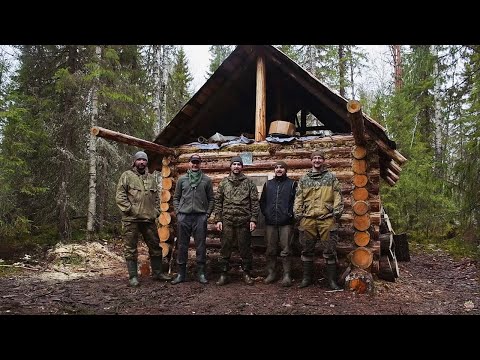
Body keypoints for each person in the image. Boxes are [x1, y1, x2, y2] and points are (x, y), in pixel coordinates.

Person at [115, 150, 171, 287]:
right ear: (134, 162)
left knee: (155, 246)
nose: (141, 162)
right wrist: (129, 210)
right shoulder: (127, 176)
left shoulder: (151, 178)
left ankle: (157, 273)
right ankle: (133, 277)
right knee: (131, 248)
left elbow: (157, 197)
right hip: (131, 220)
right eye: (139, 160)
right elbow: (120, 196)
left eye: (144, 160)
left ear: (147, 162)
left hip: (148, 219)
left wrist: (156, 211)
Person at [293, 150, 344, 290]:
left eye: (319, 158)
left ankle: (331, 281)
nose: (317, 160)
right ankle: (306, 279)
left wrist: (336, 214)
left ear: (323, 161)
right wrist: (298, 214)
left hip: (326, 219)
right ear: (311, 161)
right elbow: (298, 198)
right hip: (307, 219)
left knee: (329, 250)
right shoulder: (304, 179)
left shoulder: (331, 177)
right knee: (306, 250)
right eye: (314, 158)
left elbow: (338, 196)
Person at [214, 156, 260, 286]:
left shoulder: (249, 183)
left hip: (244, 221)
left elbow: (254, 203)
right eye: (234, 164)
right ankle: (224, 274)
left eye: (238, 164)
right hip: (227, 220)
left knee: (245, 248)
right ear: (230, 166)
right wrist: (218, 219)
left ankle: (246, 273)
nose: (236, 166)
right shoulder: (224, 182)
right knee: (225, 248)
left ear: (242, 167)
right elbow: (218, 202)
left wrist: (254, 219)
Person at [171, 153, 214, 285]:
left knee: (200, 246)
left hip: (200, 217)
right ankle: (181, 274)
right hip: (184, 216)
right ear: (189, 163)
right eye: (193, 162)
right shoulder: (182, 180)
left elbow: (211, 199)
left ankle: (201, 273)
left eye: (197, 162)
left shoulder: (206, 180)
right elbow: (176, 198)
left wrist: (206, 214)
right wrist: (178, 212)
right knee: (182, 245)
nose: (195, 164)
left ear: (200, 164)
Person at [259, 161, 297, 287]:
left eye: (281, 167)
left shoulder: (292, 184)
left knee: (286, 249)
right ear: (274, 170)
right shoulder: (268, 184)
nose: (279, 169)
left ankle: (287, 275)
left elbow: (295, 201)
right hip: (270, 222)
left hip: (286, 223)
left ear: (286, 170)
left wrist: (290, 214)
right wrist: (266, 213)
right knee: (270, 249)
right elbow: (262, 201)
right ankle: (272, 273)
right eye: (276, 167)